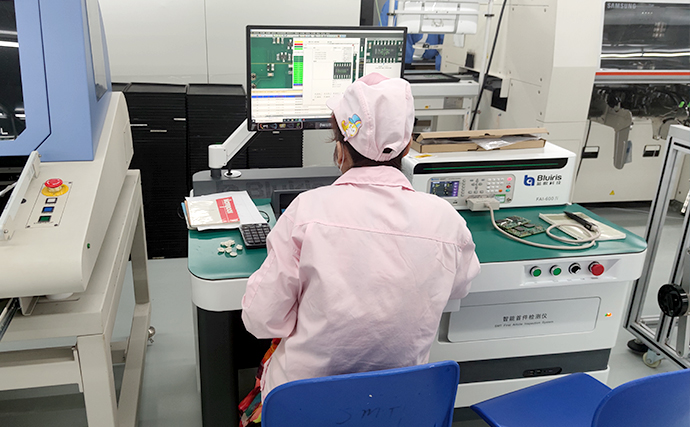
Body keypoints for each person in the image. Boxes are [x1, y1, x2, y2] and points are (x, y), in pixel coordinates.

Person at [239, 73, 480, 425]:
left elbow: (262, 319)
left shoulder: (307, 212)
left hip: (307, 404)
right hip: (401, 407)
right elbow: (460, 287)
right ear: (407, 147)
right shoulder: (445, 219)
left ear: (340, 147)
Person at [379, 0, 445, 70]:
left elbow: (381, 32)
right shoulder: (419, 5)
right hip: (406, 57)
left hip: (387, 57)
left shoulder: (390, 3)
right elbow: (419, 37)